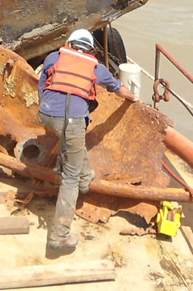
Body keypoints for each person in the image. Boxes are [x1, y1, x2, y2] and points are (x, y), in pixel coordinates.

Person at [38, 28, 135, 251]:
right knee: (69, 176)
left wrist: (48, 109)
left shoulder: (54, 57)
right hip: (72, 122)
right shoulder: (97, 68)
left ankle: (85, 177)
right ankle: (60, 235)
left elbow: (42, 85)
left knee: (73, 143)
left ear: (69, 44)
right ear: (91, 50)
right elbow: (119, 89)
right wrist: (134, 97)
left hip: (46, 115)